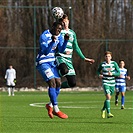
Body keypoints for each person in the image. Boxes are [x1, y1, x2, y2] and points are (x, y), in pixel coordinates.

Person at [36, 22, 69, 119]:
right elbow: (45, 51)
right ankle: (56, 109)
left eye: (60, 30)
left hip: (52, 63)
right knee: (52, 82)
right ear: (53, 27)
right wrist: (52, 42)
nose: (59, 31)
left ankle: (50, 105)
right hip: (43, 62)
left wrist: (66, 41)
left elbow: (61, 49)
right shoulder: (44, 36)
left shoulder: (59, 36)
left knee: (58, 83)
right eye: (58, 29)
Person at [56, 14, 95, 88]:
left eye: (66, 22)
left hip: (68, 59)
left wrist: (84, 58)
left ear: (68, 22)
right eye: (63, 22)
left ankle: (57, 85)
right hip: (60, 57)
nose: (64, 24)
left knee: (72, 83)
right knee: (64, 70)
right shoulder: (59, 32)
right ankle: (54, 75)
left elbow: (76, 47)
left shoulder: (72, 33)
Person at [97, 51, 120, 118]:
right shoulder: (102, 64)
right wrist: (99, 75)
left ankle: (103, 109)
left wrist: (113, 74)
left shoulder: (114, 64)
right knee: (107, 96)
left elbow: (118, 72)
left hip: (112, 83)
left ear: (111, 57)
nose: (108, 58)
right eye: (106, 56)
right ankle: (109, 113)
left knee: (109, 98)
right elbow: (98, 71)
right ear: (105, 57)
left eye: (109, 56)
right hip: (105, 82)